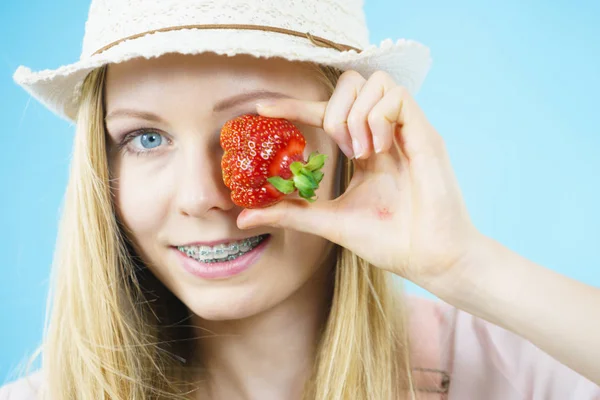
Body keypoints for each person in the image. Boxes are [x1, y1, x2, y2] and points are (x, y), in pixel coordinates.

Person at [2, 0, 599, 399]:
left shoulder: (499, 370)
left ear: (347, 140)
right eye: (146, 138)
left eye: (253, 127)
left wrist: (464, 266)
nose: (199, 197)